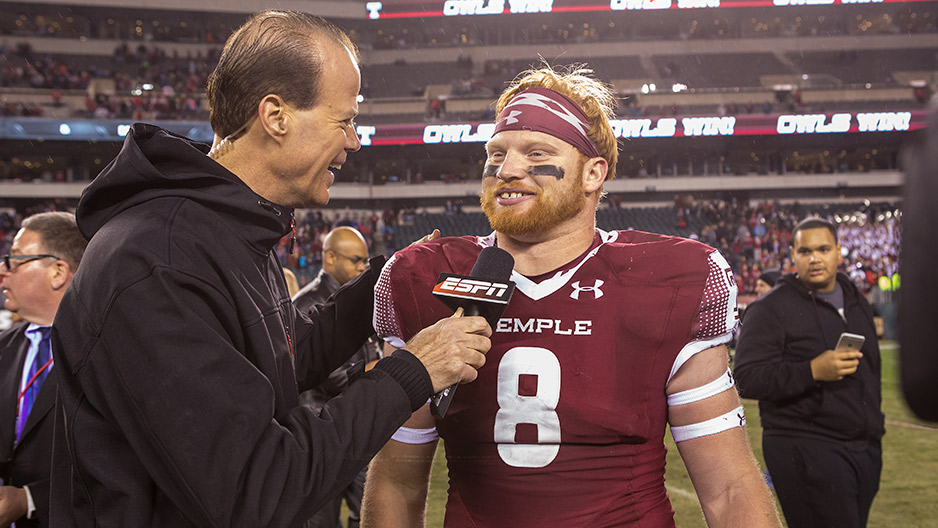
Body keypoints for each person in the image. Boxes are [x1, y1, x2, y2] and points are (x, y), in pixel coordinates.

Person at [48, 10, 491, 527]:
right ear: (276, 116)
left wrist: (392, 275)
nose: (354, 141)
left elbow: (285, 357)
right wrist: (414, 370)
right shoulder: (157, 259)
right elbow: (257, 489)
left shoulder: (223, 231)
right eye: (344, 121)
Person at [361, 65, 780, 527]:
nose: (507, 169)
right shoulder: (424, 278)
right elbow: (396, 483)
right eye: (496, 153)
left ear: (592, 174)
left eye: (536, 153)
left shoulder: (670, 279)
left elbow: (729, 488)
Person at [734, 217, 885, 528]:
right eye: (805, 251)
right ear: (792, 254)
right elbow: (746, 378)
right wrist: (812, 370)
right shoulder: (769, 308)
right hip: (804, 446)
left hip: (863, 446)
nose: (815, 258)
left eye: (823, 249)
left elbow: (872, 370)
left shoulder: (856, 298)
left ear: (839, 251)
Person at [0, 212, 87, 527]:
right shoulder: (4, 347)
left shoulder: (108, 349)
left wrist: (29, 499)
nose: (3, 271)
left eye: (14, 260)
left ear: (57, 272)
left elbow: (123, 459)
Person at [293, 226, 381, 528]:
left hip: (347, 429)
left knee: (370, 515)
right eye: (356, 260)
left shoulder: (349, 300)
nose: (362, 267)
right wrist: (385, 369)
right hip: (320, 438)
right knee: (322, 522)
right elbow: (334, 377)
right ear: (330, 257)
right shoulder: (308, 303)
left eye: (365, 261)